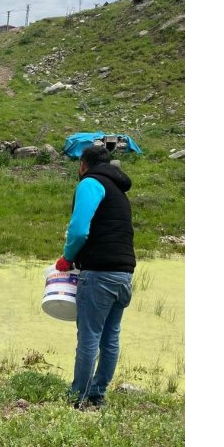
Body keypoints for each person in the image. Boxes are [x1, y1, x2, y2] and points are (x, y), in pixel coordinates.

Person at [54, 144, 136, 410]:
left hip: (99, 273)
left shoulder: (90, 183)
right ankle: (97, 395)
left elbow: (79, 230)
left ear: (82, 165)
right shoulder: (119, 191)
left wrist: (67, 258)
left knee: (89, 337)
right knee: (110, 337)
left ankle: (76, 397)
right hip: (124, 274)